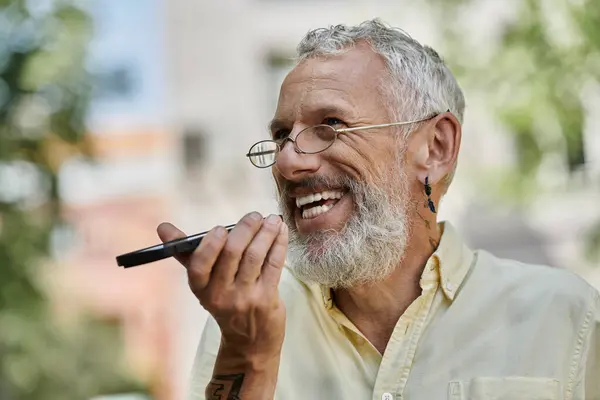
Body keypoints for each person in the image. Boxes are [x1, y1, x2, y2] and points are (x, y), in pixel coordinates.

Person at [157, 19, 600, 400]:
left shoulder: (563, 315)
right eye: (280, 135)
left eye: (330, 125)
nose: (288, 161)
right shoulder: (245, 321)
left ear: (435, 147)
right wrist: (247, 355)